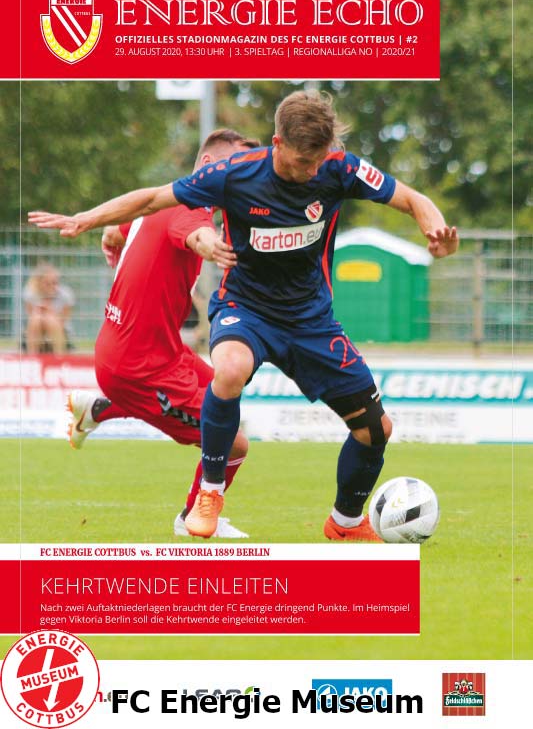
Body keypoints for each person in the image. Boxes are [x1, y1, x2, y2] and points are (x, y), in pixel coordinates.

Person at [29, 90, 459, 541]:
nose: (311, 170)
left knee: (376, 429)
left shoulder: (339, 168)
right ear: (277, 144)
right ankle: (209, 494)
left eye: (318, 160)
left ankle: (346, 522)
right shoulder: (235, 174)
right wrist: (87, 219)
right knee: (230, 369)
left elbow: (412, 198)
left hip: (311, 321)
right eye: (302, 161)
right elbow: (154, 199)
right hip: (246, 309)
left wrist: (435, 229)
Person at [64, 129, 259, 538]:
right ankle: (191, 519)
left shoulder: (163, 198)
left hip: (152, 350)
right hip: (139, 366)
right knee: (234, 441)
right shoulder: (192, 208)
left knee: (227, 397)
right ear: (209, 167)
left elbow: (121, 228)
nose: (247, 178)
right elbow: (194, 233)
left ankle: (97, 409)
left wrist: (112, 237)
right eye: (239, 167)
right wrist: (210, 245)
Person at [23, 262, 75, 354]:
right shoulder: (30, 293)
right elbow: (30, 316)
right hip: (36, 331)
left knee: (49, 318)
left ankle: (59, 356)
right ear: (39, 283)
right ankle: (33, 356)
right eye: (47, 283)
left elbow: (64, 320)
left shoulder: (65, 294)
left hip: (60, 332)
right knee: (36, 317)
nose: (53, 286)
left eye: (55, 283)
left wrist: (51, 313)